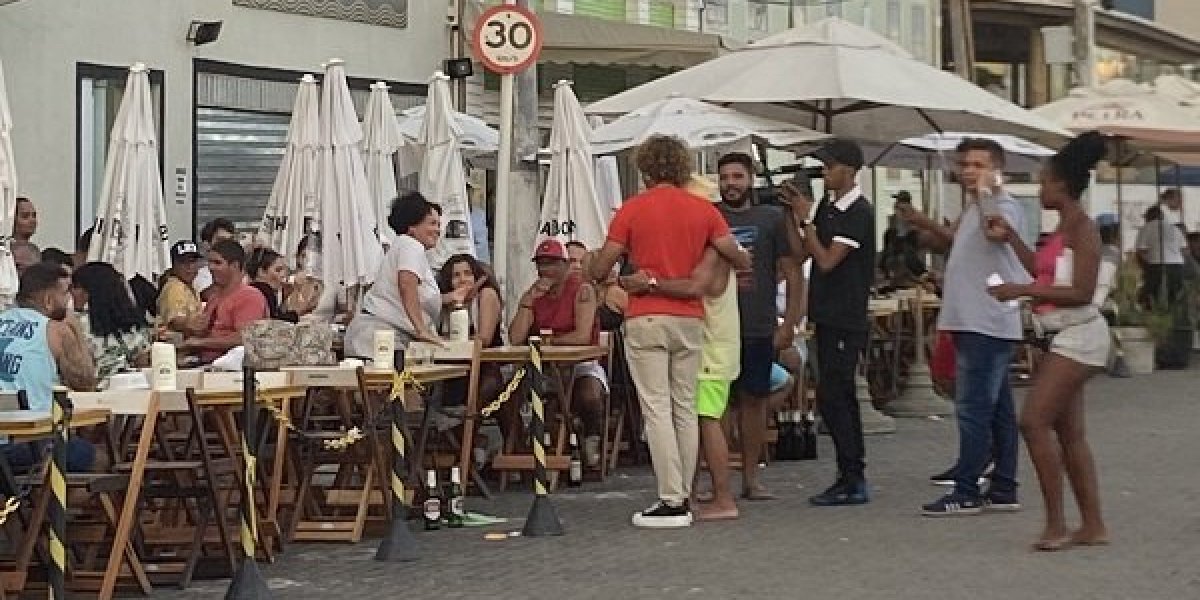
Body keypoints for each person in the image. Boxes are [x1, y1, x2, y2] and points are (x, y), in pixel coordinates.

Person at [590, 135, 750, 528]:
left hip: (646, 315)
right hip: (691, 318)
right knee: (684, 407)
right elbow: (740, 257)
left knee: (656, 407)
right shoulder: (704, 211)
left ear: (645, 169)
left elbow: (600, 268)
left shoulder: (632, 209)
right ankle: (686, 494)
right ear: (682, 168)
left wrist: (622, 271)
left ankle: (672, 498)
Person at [987, 131, 1110, 551]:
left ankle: (1057, 524)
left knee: (1033, 421)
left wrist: (1020, 291)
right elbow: (1043, 271)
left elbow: (1081, 291)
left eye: (1044, 182)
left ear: (1061, 184)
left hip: (1079, 336)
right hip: (1062, 336)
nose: (1039, 188)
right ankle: (1092, 525)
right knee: (1069, 431)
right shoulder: (1065, 228)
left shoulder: (1083, 229)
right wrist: (1013, 240)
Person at [897, 138, 1029, 516]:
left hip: (985, 320)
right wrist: (925, 223)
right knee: (999, 408)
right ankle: (1004, 485)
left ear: (997, 169)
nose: (968, 171)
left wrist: (988, 193)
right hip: (973, 318)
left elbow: (995, 233)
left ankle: (967, 488)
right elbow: (961, 242)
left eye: (978, 164)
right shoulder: (975, 207)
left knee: (973, 407)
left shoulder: (1001, 206)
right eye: (965, 164)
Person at [783, 138, 875, 507]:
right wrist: (796, 216)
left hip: (845, 315)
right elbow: (805, 249)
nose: (825, 172)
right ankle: (847, 472)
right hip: (826, 315)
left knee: (838, 395)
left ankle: (853, 476)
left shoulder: (858, 212)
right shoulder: (829, 206)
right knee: (832, 395)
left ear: (849, 170)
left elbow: (826, 260)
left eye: (831, 166)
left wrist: (806, 219)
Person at [713, 152, 803, 501]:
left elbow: (794, 271)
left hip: (758, 324)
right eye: (725, 177)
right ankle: (719, 481)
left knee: (755, 401)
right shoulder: (710, 215)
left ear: (750, 179)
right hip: (716, 326)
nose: (730, 183)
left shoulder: (770, 218)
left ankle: (751, 479)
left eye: (737, 176)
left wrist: (791, 322)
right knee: (715, 405)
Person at [509, 239, 607, 457]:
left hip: (580, 362)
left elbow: (582, 337)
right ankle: (519, 448)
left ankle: (592, 435)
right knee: (508, 394)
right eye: (542, 264)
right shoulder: (535, 293)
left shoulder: (582, 290)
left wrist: (549, 341)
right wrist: (527, 302)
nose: (546, 270)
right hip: (543, 365)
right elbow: (515, 338)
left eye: (552, 263)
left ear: (564, 265)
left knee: (589, 394)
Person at [0, 262, 97, 471]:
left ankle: (31, 499)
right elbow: (85, 381)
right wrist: (75, 328)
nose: (69, 299)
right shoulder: (54, 331)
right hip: (32, 444)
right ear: (48, 300)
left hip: (5, 447)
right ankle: (45, 502)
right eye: (65, 293)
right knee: (96, 456)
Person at [345, 192, 468, 357]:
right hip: (378, 336)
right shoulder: (410, 245)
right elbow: (406, 285)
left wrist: (449, 297)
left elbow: (409, 293)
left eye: (439, 224)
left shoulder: (406, 248)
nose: (438, 230)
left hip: (380, 336)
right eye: (432, 223)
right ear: (412, 227)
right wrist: (422, 330)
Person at [178, 239, 268, 363]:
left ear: (235, 266)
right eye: (209, 262)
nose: (211, 267)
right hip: (204, 363)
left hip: (232, 368)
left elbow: (245, 338)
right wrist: (191, 327)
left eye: (217, 263)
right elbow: (204, 331)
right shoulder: (215, 297)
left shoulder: (249, 296)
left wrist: (199, 342)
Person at [70, 262, 153, 380]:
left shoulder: (77, 324)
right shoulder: (134, 323)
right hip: (134, 386)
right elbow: (143, 361)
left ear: (89, 291)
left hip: (94, 391)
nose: (72, 292)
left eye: (76, 287)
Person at [437, 253, 503, 348]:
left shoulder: (487, 294)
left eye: (468, 274)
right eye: (456, 275)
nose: (462, 279)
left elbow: (484, 340)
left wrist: (444, 341)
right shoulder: (447, 301)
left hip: (488, 359)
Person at [247, 247, 317, 323]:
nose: (283, 274)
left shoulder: (254, 288)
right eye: (278, 270)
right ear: (261, 272)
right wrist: (298, 312)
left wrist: (284, 297)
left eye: (284, 270)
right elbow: (274, 322)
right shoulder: (264, 290)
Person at [1136, 205, 1187, 306]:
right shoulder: (1175, 228)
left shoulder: (1146, 227)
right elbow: (1185, 250)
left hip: (1156, 265)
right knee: (1175, 296)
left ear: (1149, 217)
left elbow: (1141, 251)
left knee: (1150, 296)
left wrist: (1147, 264)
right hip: (1177, 265)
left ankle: (1150, 315)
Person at [158, 240, 205, 336]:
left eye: (193, 261)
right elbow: (175, 321)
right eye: (183, 262)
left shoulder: (189, 286)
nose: (189, 267)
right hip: (174, 347)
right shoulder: (175, 287)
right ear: (173, 265)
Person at [192, 218, 238, 299]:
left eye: (230, 241)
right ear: (207, 244)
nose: (227, 245)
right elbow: (207, 296)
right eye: (221, 240)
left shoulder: (239, 269)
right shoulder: (197, 275)